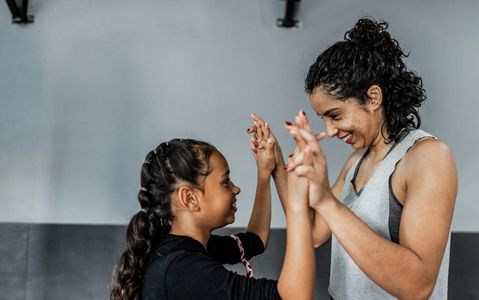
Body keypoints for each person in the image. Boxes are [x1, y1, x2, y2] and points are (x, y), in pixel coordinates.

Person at [250, 17, 457, 299]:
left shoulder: (427, 156)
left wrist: (325, 200)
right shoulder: (357, 161)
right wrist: (276, 166)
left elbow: (417, 286)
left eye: (335, 115)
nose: (330, 130)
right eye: (323, 119)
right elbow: (312, 232)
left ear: (373, 97)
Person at [110, 138, 315, 300]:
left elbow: (256, 240)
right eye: (225, 182)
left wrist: (266, 172)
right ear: (189, 198)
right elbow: (293, 296)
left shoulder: (181, 246)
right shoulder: (183, 270)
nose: (236, 189)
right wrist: (296, 205)